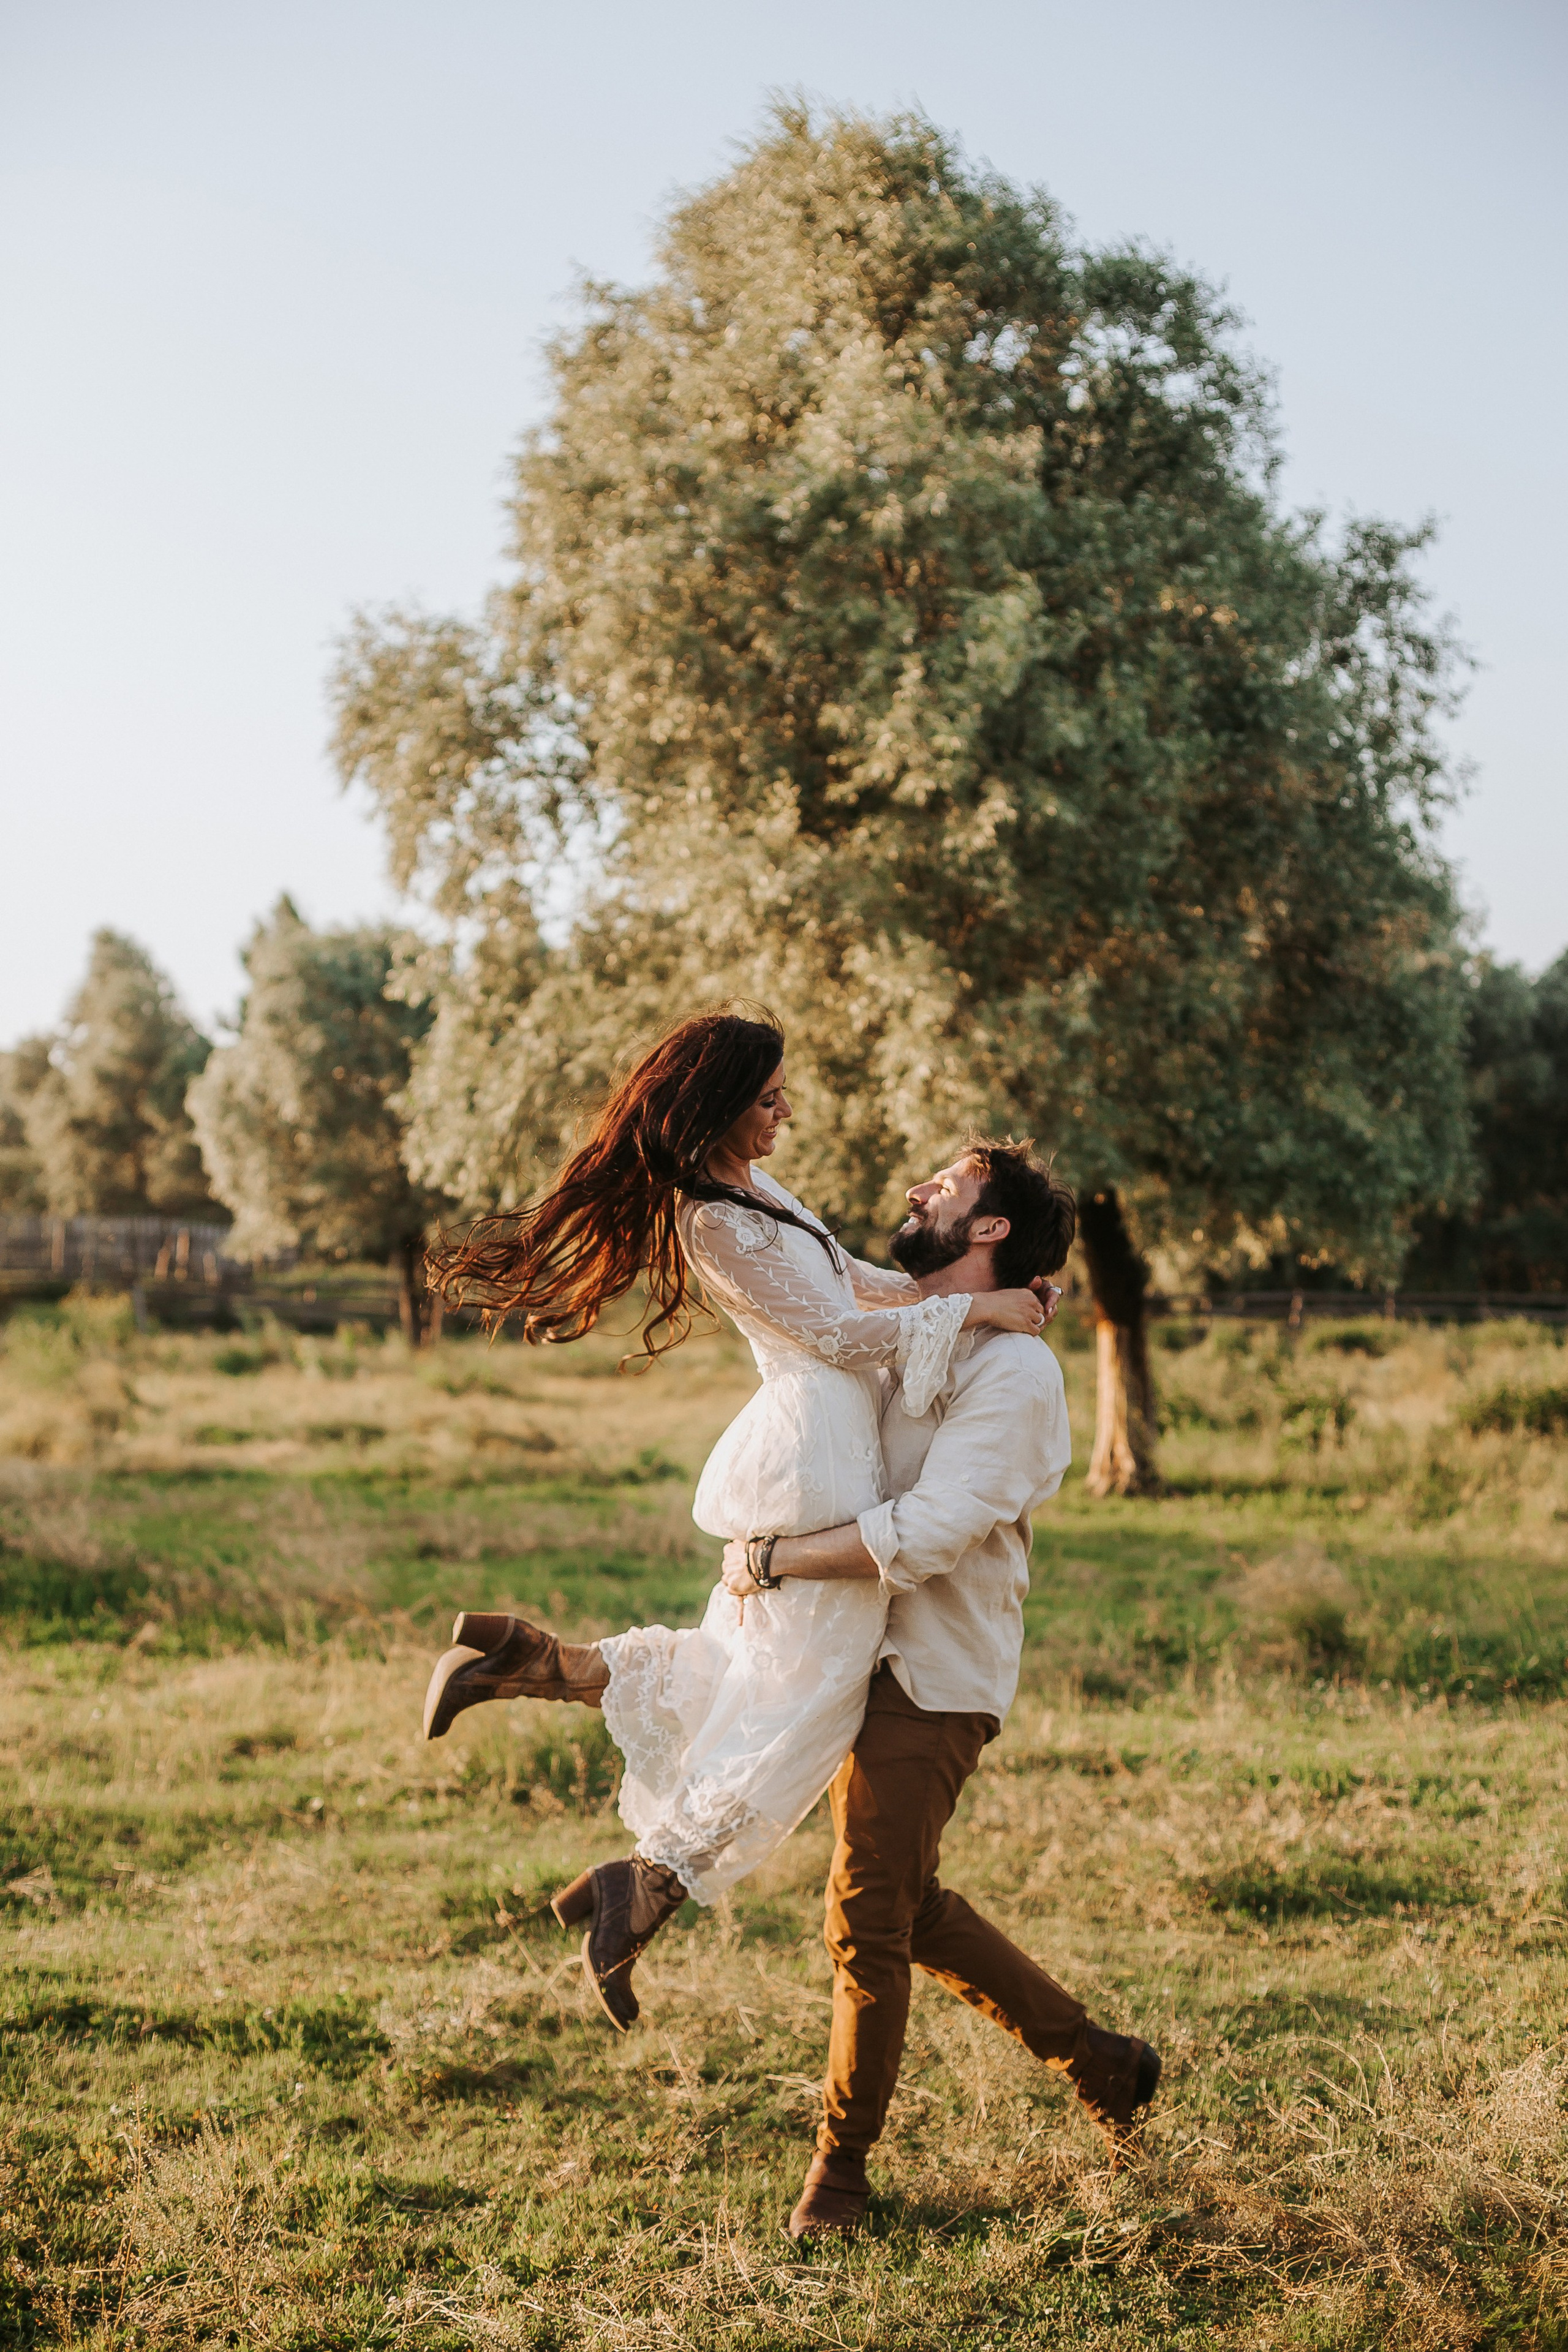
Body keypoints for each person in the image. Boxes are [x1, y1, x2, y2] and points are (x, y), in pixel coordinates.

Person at [418, 1008, 1050, 2027]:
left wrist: (1003, 1291)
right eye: (767, 1099)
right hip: (817, 1450)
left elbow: (862, 1284)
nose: (785, 1112)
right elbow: (839, 1336)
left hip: (834, 1438)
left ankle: (529, 1662)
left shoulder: (759, 1190)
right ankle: (645, 1885)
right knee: (810, 1697)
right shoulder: (709, 1219)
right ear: (718, 1104)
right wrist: (976, 1310)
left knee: (762, 1670)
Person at [717, 1151, 1162, 2235]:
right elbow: (836, 1286)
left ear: (991, 1228)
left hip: (933, 1672)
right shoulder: (920, 1326)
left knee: (866, 1915)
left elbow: (929, 1533)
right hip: (848, 1656)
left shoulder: (1018, 1375)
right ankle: (1102, 2061)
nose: (915, 1189)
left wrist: (774, 1559)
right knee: (904, 1900)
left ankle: (840, 2177)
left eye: (944, 1186)